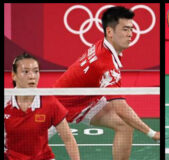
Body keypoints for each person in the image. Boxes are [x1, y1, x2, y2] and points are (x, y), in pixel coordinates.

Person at [50, 6, 160, 160]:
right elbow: (121, 108)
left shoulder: (104, 45)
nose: (130, 34)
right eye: (125, 29)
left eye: (131, 29)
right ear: (109, 32)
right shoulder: (106, 64)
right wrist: (152, 133)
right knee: (20, 145)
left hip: (85, 101)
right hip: (56, 108)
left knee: (125, 126)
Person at [4, 53, 80, 160]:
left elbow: (68, 139)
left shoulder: (50, 103)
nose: (32, 76)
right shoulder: (6, 102)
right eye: (25, 72)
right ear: (14, 75)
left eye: (36, 71)